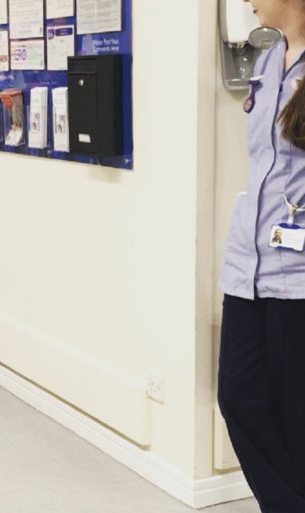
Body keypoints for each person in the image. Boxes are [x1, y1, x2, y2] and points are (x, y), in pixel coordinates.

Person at [218, 1, 305, 511]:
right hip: (248, 265)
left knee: (295, 415)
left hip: (298, 277)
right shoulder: (269, 60)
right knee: (240, 397)